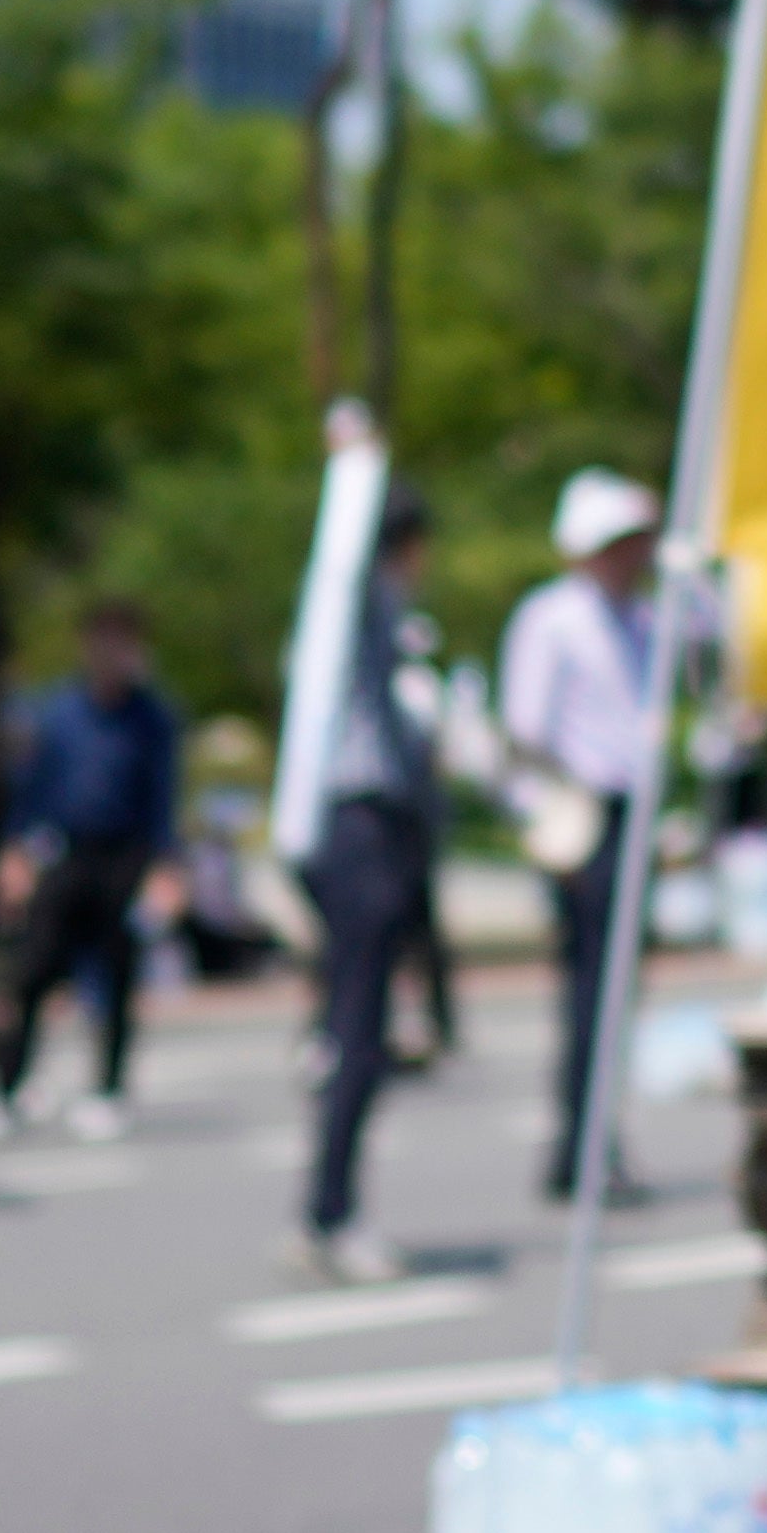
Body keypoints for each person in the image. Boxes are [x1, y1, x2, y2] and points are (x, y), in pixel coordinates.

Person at [496, 474, 682, 1201]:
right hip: (581, 815)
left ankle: (596, 1139)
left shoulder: (643, 617)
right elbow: (525, 729)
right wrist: (547, 823)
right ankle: (581, 1144)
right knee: (591, 992)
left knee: (618, 991)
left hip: (629, 812)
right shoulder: (554, 618)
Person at [284, 488, 450, 1281]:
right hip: (362, 827)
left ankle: (330, 1207)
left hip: (350, 831)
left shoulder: (352, 610)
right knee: (360, 1028)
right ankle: (331, 1212)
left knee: (354, 1023)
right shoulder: (359, 601)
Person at [0, 600, 186, 1144]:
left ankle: (109, 1089)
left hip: (125, 857)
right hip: (64, 853)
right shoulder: (59, 713)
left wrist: (167, 868)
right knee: (33, 970)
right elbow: (32, 791)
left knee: (117, 976)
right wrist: (15, 854)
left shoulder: (152, 717)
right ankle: (8, 1087)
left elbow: (164, 798)